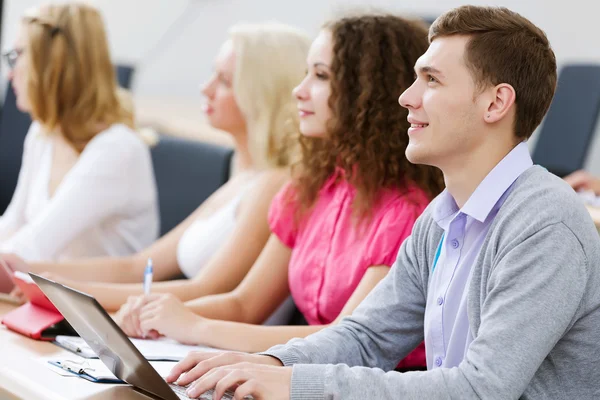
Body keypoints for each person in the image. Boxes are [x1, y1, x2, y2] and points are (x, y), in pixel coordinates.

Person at [166, 6, 600, 400]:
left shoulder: (545, 225)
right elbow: (365, 338)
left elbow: (479, 388)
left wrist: (295, 384)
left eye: (431, 80)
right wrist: (270, 364)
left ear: (496, 103)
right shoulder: (440, 217)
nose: (406, 98)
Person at [118, 13, 444, 371]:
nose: (299, 90)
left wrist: (194, 325)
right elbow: (244, 304)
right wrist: (156, 313)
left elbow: (343, 339)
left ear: (369, 92)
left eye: (320, 76)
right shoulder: (310, 188)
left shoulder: (406, 212)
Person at [2, 23, 310, 312]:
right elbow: (136, 266)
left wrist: (62, 291)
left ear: (262, 95)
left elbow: (208, 290)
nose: (206, 88)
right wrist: (34, 273)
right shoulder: (243, 178)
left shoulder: (273, 184)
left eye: (225, 81)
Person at [0, 3, 158, 262]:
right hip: (48, 294)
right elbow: (14, 224)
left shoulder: (117, 150)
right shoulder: (44, 132)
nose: (10, 72)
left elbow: (31, 247)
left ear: (52, 67)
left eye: (17, 55)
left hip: (100, 302)